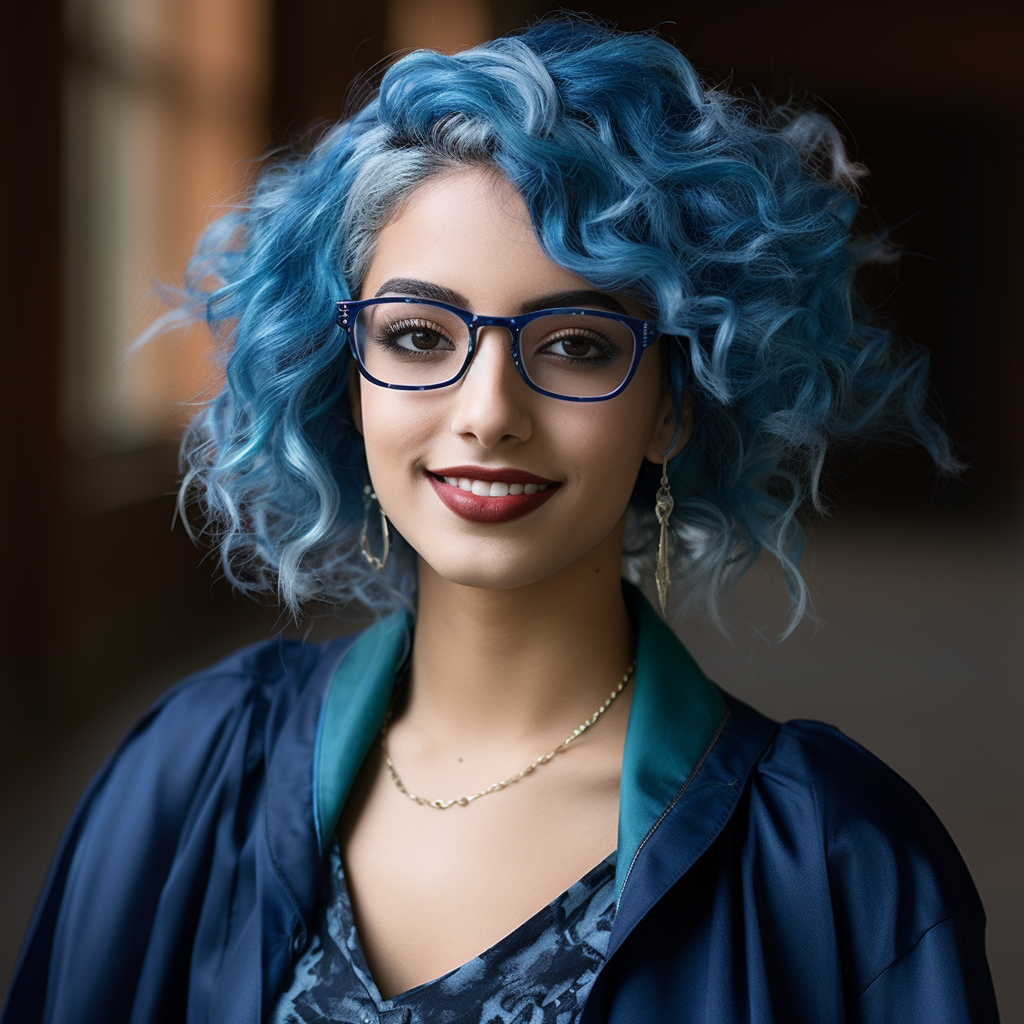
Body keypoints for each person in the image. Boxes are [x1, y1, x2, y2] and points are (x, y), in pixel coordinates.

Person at [3, 16, 1000, 1024]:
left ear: (674, 405)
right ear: (346, 377)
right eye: (417, 334)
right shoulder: (188, 767)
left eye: (574, 344)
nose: (486, 413)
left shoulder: (842, 863)